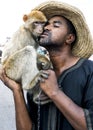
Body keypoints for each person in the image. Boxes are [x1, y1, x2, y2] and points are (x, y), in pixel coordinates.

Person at [0, 1, 93, 130]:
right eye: (46, 24)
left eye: (55, 25)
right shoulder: (37, 72)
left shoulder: (89, 70)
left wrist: (54, 92)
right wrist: (17, 91)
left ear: (69, 38)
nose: (46, 27)